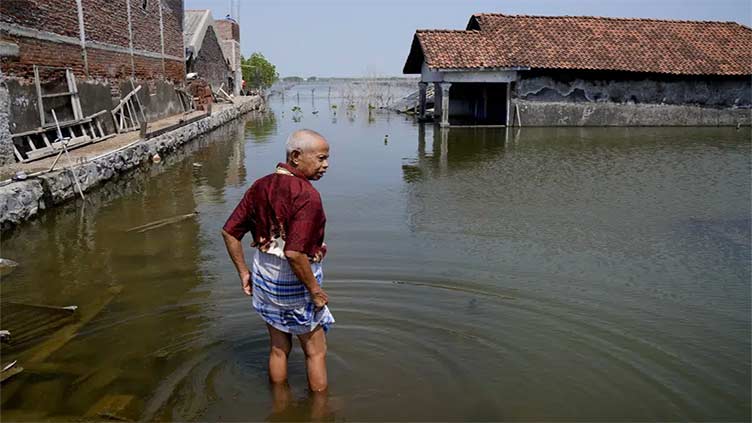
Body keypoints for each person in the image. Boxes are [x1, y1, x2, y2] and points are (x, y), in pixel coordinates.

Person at [221, 129, 333, 393]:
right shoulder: (307, 195)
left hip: (265, 276)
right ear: (296, 156)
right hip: (295, 281)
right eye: (320, 158)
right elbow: (294, 253)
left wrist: (244, 273)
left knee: (278, 348)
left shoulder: (261, 185)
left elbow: (229, 232)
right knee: (315, 352)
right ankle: (320, 411)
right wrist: (315, 292)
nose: (325, 165)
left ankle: (280, 406)